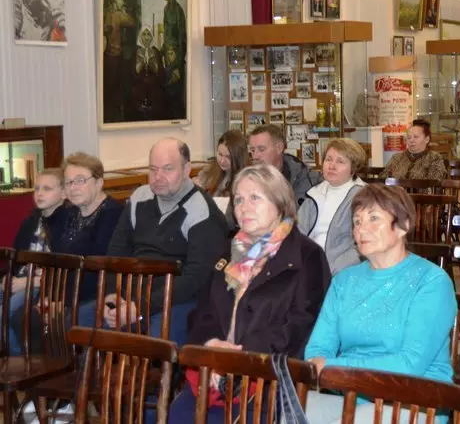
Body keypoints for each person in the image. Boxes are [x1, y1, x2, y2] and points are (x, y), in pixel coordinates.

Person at [167, 164, 331, 422]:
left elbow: (302, 326)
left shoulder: (307, 256)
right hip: (213, 372)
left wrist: (239, 358)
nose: (244, 207)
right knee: (178, 416)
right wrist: (211, 344)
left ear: (279, 202)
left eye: (255, 197)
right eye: (239, 199)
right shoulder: (228, 251)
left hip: (268, 380)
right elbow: (203, 311)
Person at [304, 185, 456, 424]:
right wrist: (325, 364)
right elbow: (318, 348)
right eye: (357, 221)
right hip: (354, 396)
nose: (361, 229)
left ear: (403, 226)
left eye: (373, 218)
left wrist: (333, 366)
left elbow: (410, 364)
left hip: (415, 401)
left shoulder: (431, 282)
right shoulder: (344, 281)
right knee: (288, 409)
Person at [81, 138, 228, 344]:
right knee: (79, 320)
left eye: (168, 169)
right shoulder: (139, 198)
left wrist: (140, 308)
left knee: (157, 342)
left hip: (177, 299)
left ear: (186, 170)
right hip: (131, 295)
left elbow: (195, 278)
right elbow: (116, 253)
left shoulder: (202, 210)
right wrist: (112, 295)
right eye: (153, 169)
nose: (158, 177)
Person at [10, 153, 124, 350]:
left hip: (97, 294)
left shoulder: (112, 214)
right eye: (69, 182)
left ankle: (64, 367)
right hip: (66, 294)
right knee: (23, 317)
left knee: (62, 326)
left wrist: (61, 302)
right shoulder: (70, 213)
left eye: (80, 180)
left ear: (99, 182)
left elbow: (95, 268)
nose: (73, 187)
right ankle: (44, 366)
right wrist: (47, 297)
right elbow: (56, 261)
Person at [3, 168, 67, 355]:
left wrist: (28, 282)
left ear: (63, 193)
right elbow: (15, 256)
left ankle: (17, 363)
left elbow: (62, 268)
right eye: (37, 188)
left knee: (6, 313)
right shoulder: (30, 221)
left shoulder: (66, 224)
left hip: (43, 285)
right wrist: (8, 277)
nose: (39, 193)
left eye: (47, 188)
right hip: (20, 279)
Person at [297, 139, 366, 274]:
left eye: (340, 161)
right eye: (328, 159)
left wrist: (332, 269)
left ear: (354, 168)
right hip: (309, 266)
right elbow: (297, 232)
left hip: (344, 271)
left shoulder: (364, 197)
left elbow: (363, 245)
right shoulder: (315, 193)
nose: (332, 166)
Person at [248, 125, 321, 206]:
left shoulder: (310, 180)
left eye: (261, 149)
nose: (255, 156)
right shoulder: (246, 182)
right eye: (252, 150)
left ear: (279, 148)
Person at [103, 0, 139, 123]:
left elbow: (137, 23)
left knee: (127, 89)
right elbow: (103, 23)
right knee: (111, 89)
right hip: (112, 51)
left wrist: (123, 16)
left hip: (128, 51)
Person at [379, 119, 447, 180]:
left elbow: (434, 183)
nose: (411, 140)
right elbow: (383, 178)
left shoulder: (434, 158)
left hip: (422, 191)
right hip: (395, 190)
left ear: (427, 139)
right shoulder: (397, 157)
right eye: (409, 137)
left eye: (416, 137)